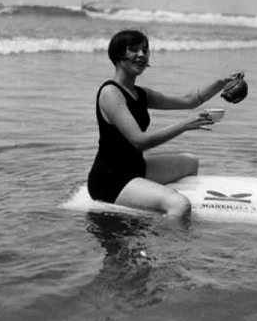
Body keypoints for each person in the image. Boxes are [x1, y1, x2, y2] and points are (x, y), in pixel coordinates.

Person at [87, 29, 243, 219]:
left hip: (136, 167)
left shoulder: (140, 93)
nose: (142, 55)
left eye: (145, 50)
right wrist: (185, 125)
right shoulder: (111, 93)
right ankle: (168, 241)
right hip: (111, 179)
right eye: (134, 50)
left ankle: (161, 207)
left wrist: (221, 83)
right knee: (181, 204)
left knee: (190, 162)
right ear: (119, 54)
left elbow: (189, 100)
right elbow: (140, 141)